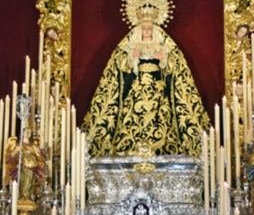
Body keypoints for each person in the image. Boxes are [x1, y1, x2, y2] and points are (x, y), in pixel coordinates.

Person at [82, 17, 210, 157]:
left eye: (149, 29)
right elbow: (122, 65)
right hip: (138, 87)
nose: (147, 31)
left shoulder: (161, 45)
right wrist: (132, 57)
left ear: (154, 30)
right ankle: (130, 146)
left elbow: (173, 65)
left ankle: (162, 149)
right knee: (131, 113)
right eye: (144, 28)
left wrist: (164, 59)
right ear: (139, 30)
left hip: (157, 87)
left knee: (162, 114)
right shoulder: (133, 45)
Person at [4, 128, 46, 209]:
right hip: (23, 166)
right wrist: (17, 150)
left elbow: (41, 149)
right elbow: (11, 156)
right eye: (26, 131)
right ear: (22, 133)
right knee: (23, 181)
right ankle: (22, 196)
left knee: (30, 181)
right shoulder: (19, 145)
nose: (28, 133)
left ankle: (28, 196)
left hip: (32, 166)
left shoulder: (33, 146)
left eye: (29, 132)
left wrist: (42, 136)